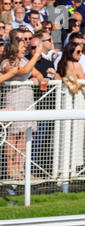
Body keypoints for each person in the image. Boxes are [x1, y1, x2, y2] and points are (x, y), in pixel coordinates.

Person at [0, 39, 43, 179]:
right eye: (21, 47)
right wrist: (36, 55)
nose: (24, 49)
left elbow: (37, 74)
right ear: (14, 49)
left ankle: (20, 167)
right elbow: (22, 71)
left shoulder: (25, 60)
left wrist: (37, 78)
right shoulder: (6, 63)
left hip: (27, 101)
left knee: (24, 136)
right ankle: (11, 169)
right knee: (12, 137)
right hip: (13, 100)